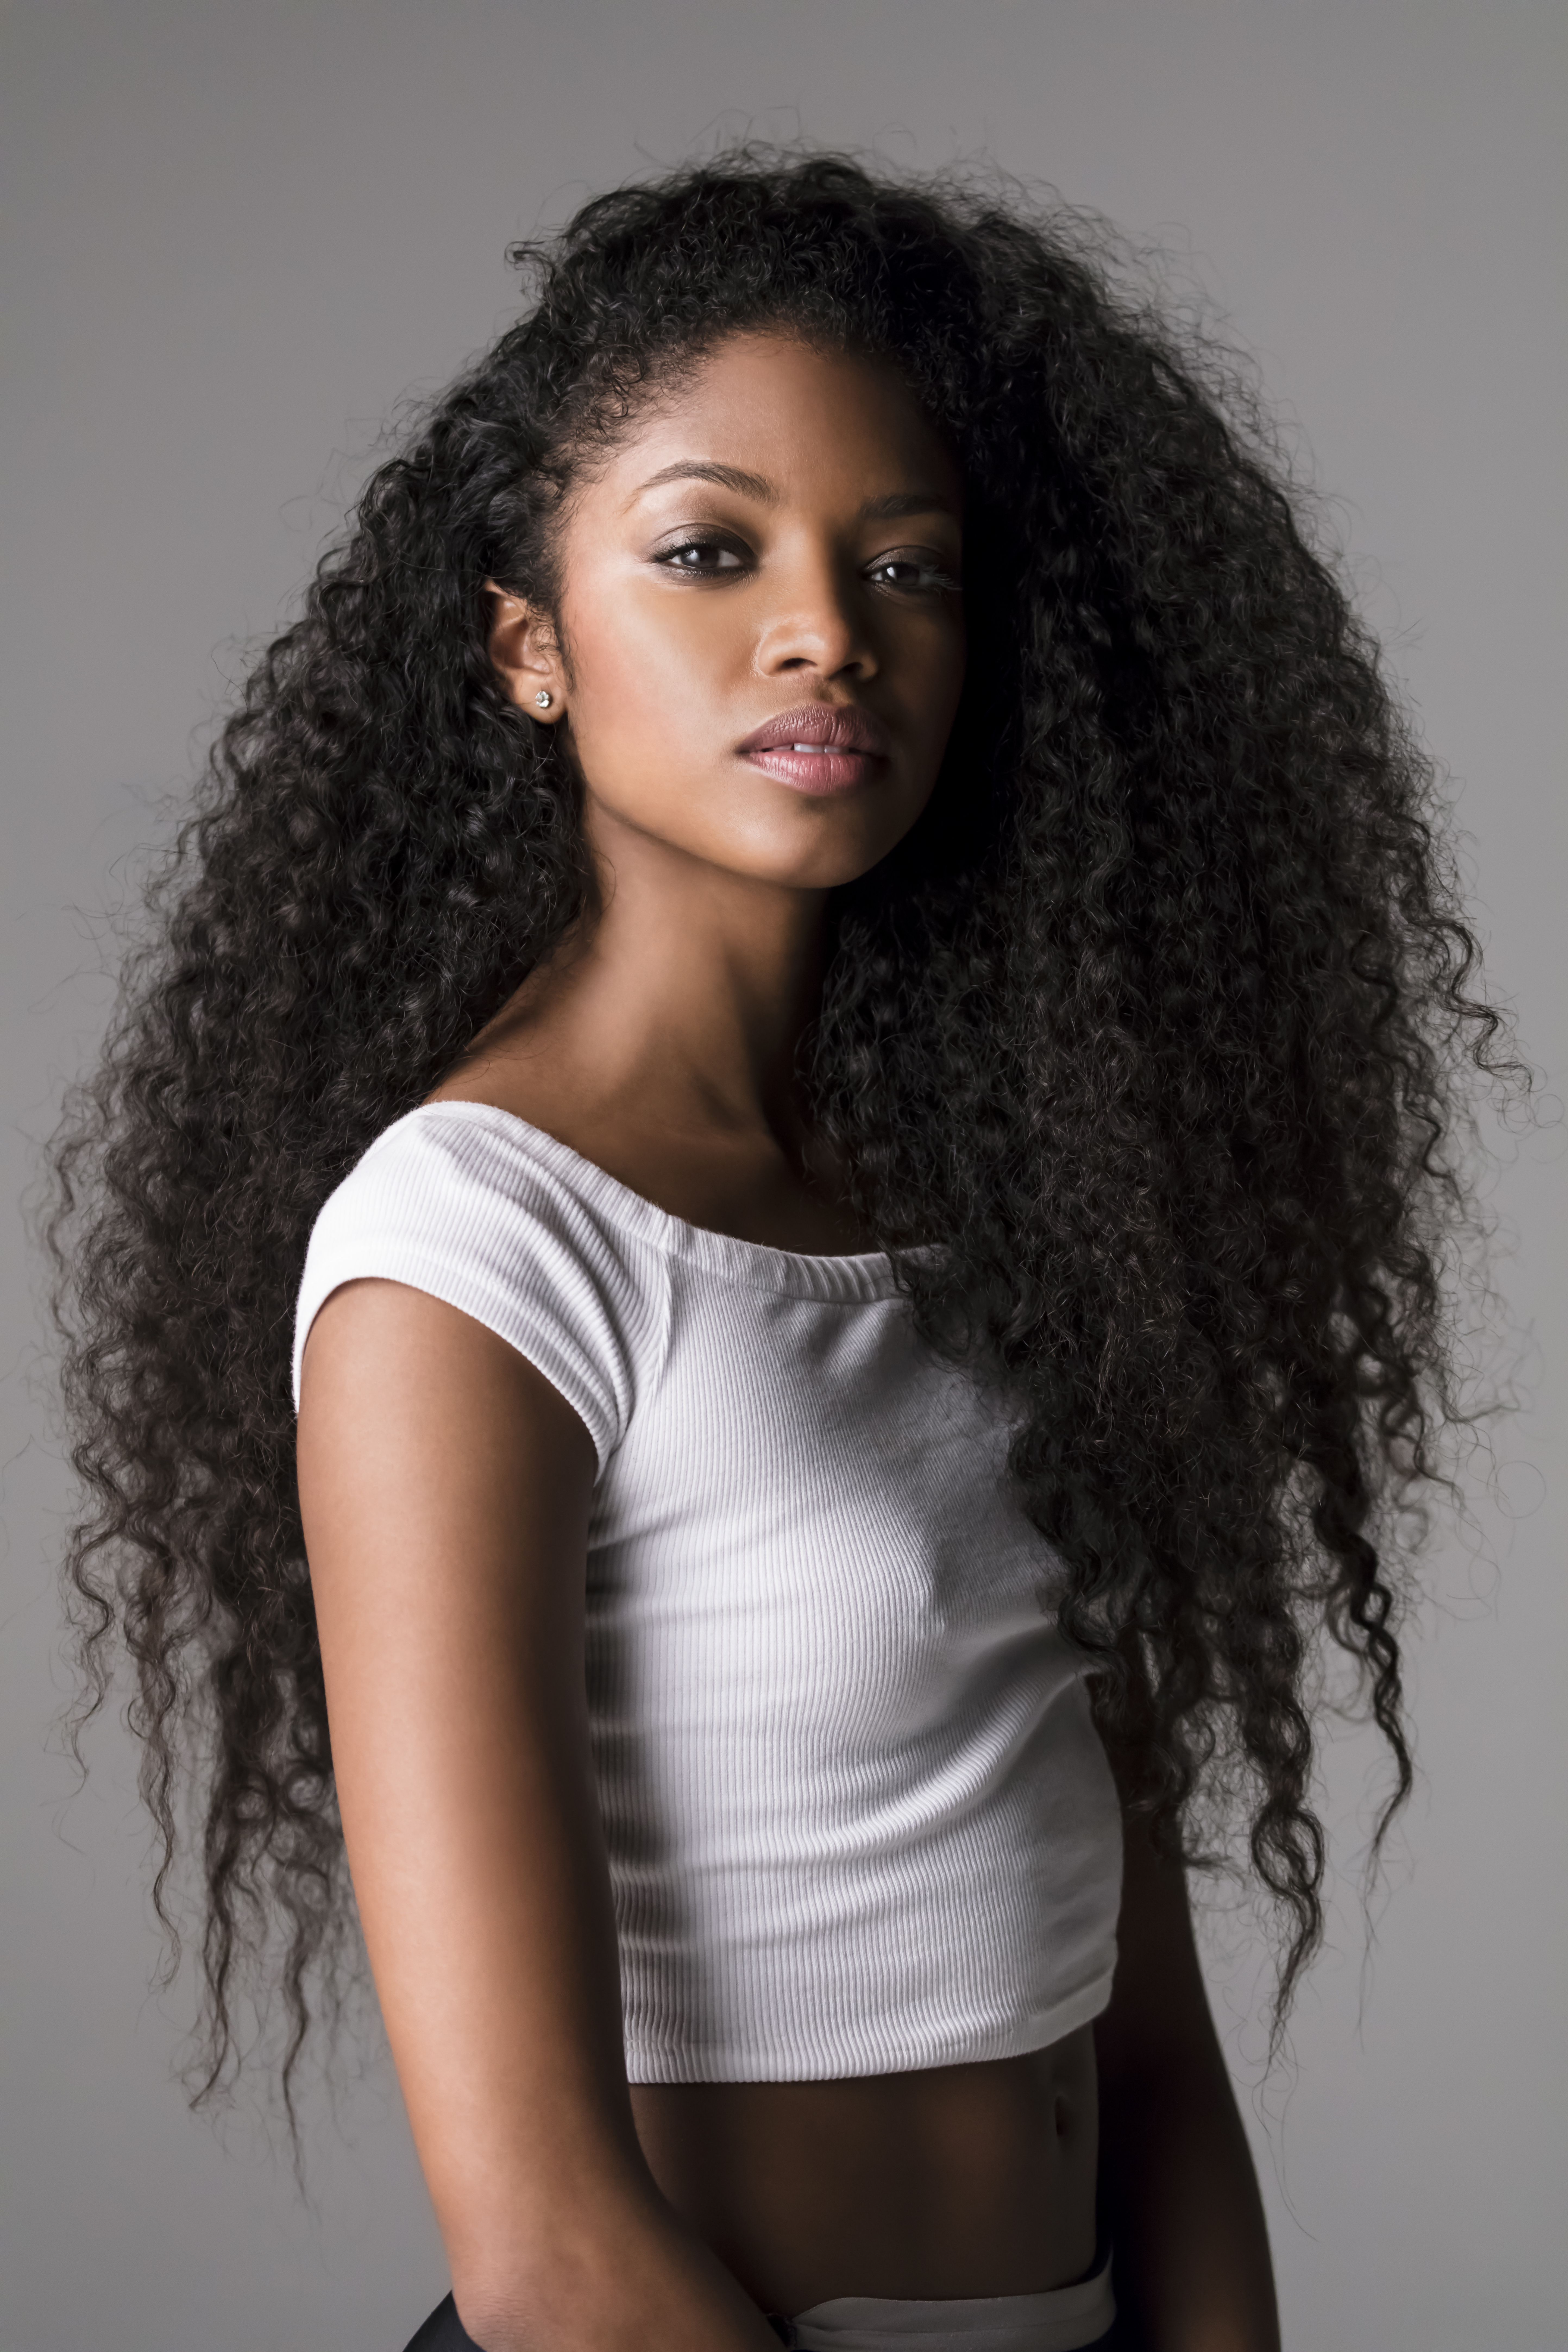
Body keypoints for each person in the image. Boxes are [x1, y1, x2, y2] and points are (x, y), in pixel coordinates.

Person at [49, 152, 1508, 2352]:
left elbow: (1143, 2051)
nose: (827, 628)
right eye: (709, 550)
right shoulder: (475, 1253)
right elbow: (547, 2245)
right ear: (527, 645)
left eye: (904, 565)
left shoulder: (1020, 1213)